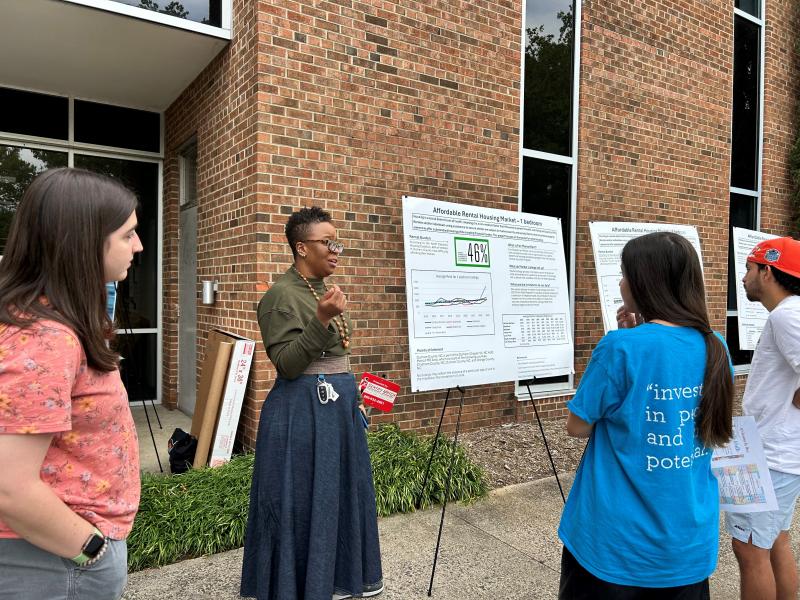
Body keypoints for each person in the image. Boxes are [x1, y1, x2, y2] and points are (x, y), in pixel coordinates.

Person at [558, 231, 734, 599]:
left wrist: (627, 342)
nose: (621, 283)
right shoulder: (716, 347)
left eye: (624, 274)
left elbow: (577, 426)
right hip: (687, 548)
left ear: (644, 282)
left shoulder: (619, 348)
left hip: (614, 547)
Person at [0, 168, 144, 599]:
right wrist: (88, 549)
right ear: (84, 242)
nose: (138, 246)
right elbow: (9, 484)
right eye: (127, 234)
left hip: (59, 552)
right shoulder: (45, 337)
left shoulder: (62, 319)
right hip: (54, 560)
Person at [241, 207, 383, 600]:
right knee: (303, 501)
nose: (336, 249)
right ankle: (297, 585)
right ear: (301, 247)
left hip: (336, 411)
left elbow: (337, 354)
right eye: (327, 242)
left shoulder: (323, 290)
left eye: (337, 242)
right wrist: (321, 320)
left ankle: (334, 579)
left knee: (337, 495)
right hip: (301, 414)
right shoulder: (279, 296)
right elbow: (286, 366)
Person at [728, 237, 800, 600]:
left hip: (767, 454)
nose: (743, 278)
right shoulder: (789, 313)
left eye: (749, 269)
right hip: (773, 450)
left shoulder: (788, 315)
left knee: (750, 549)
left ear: (768, 272)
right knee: (773, 542)